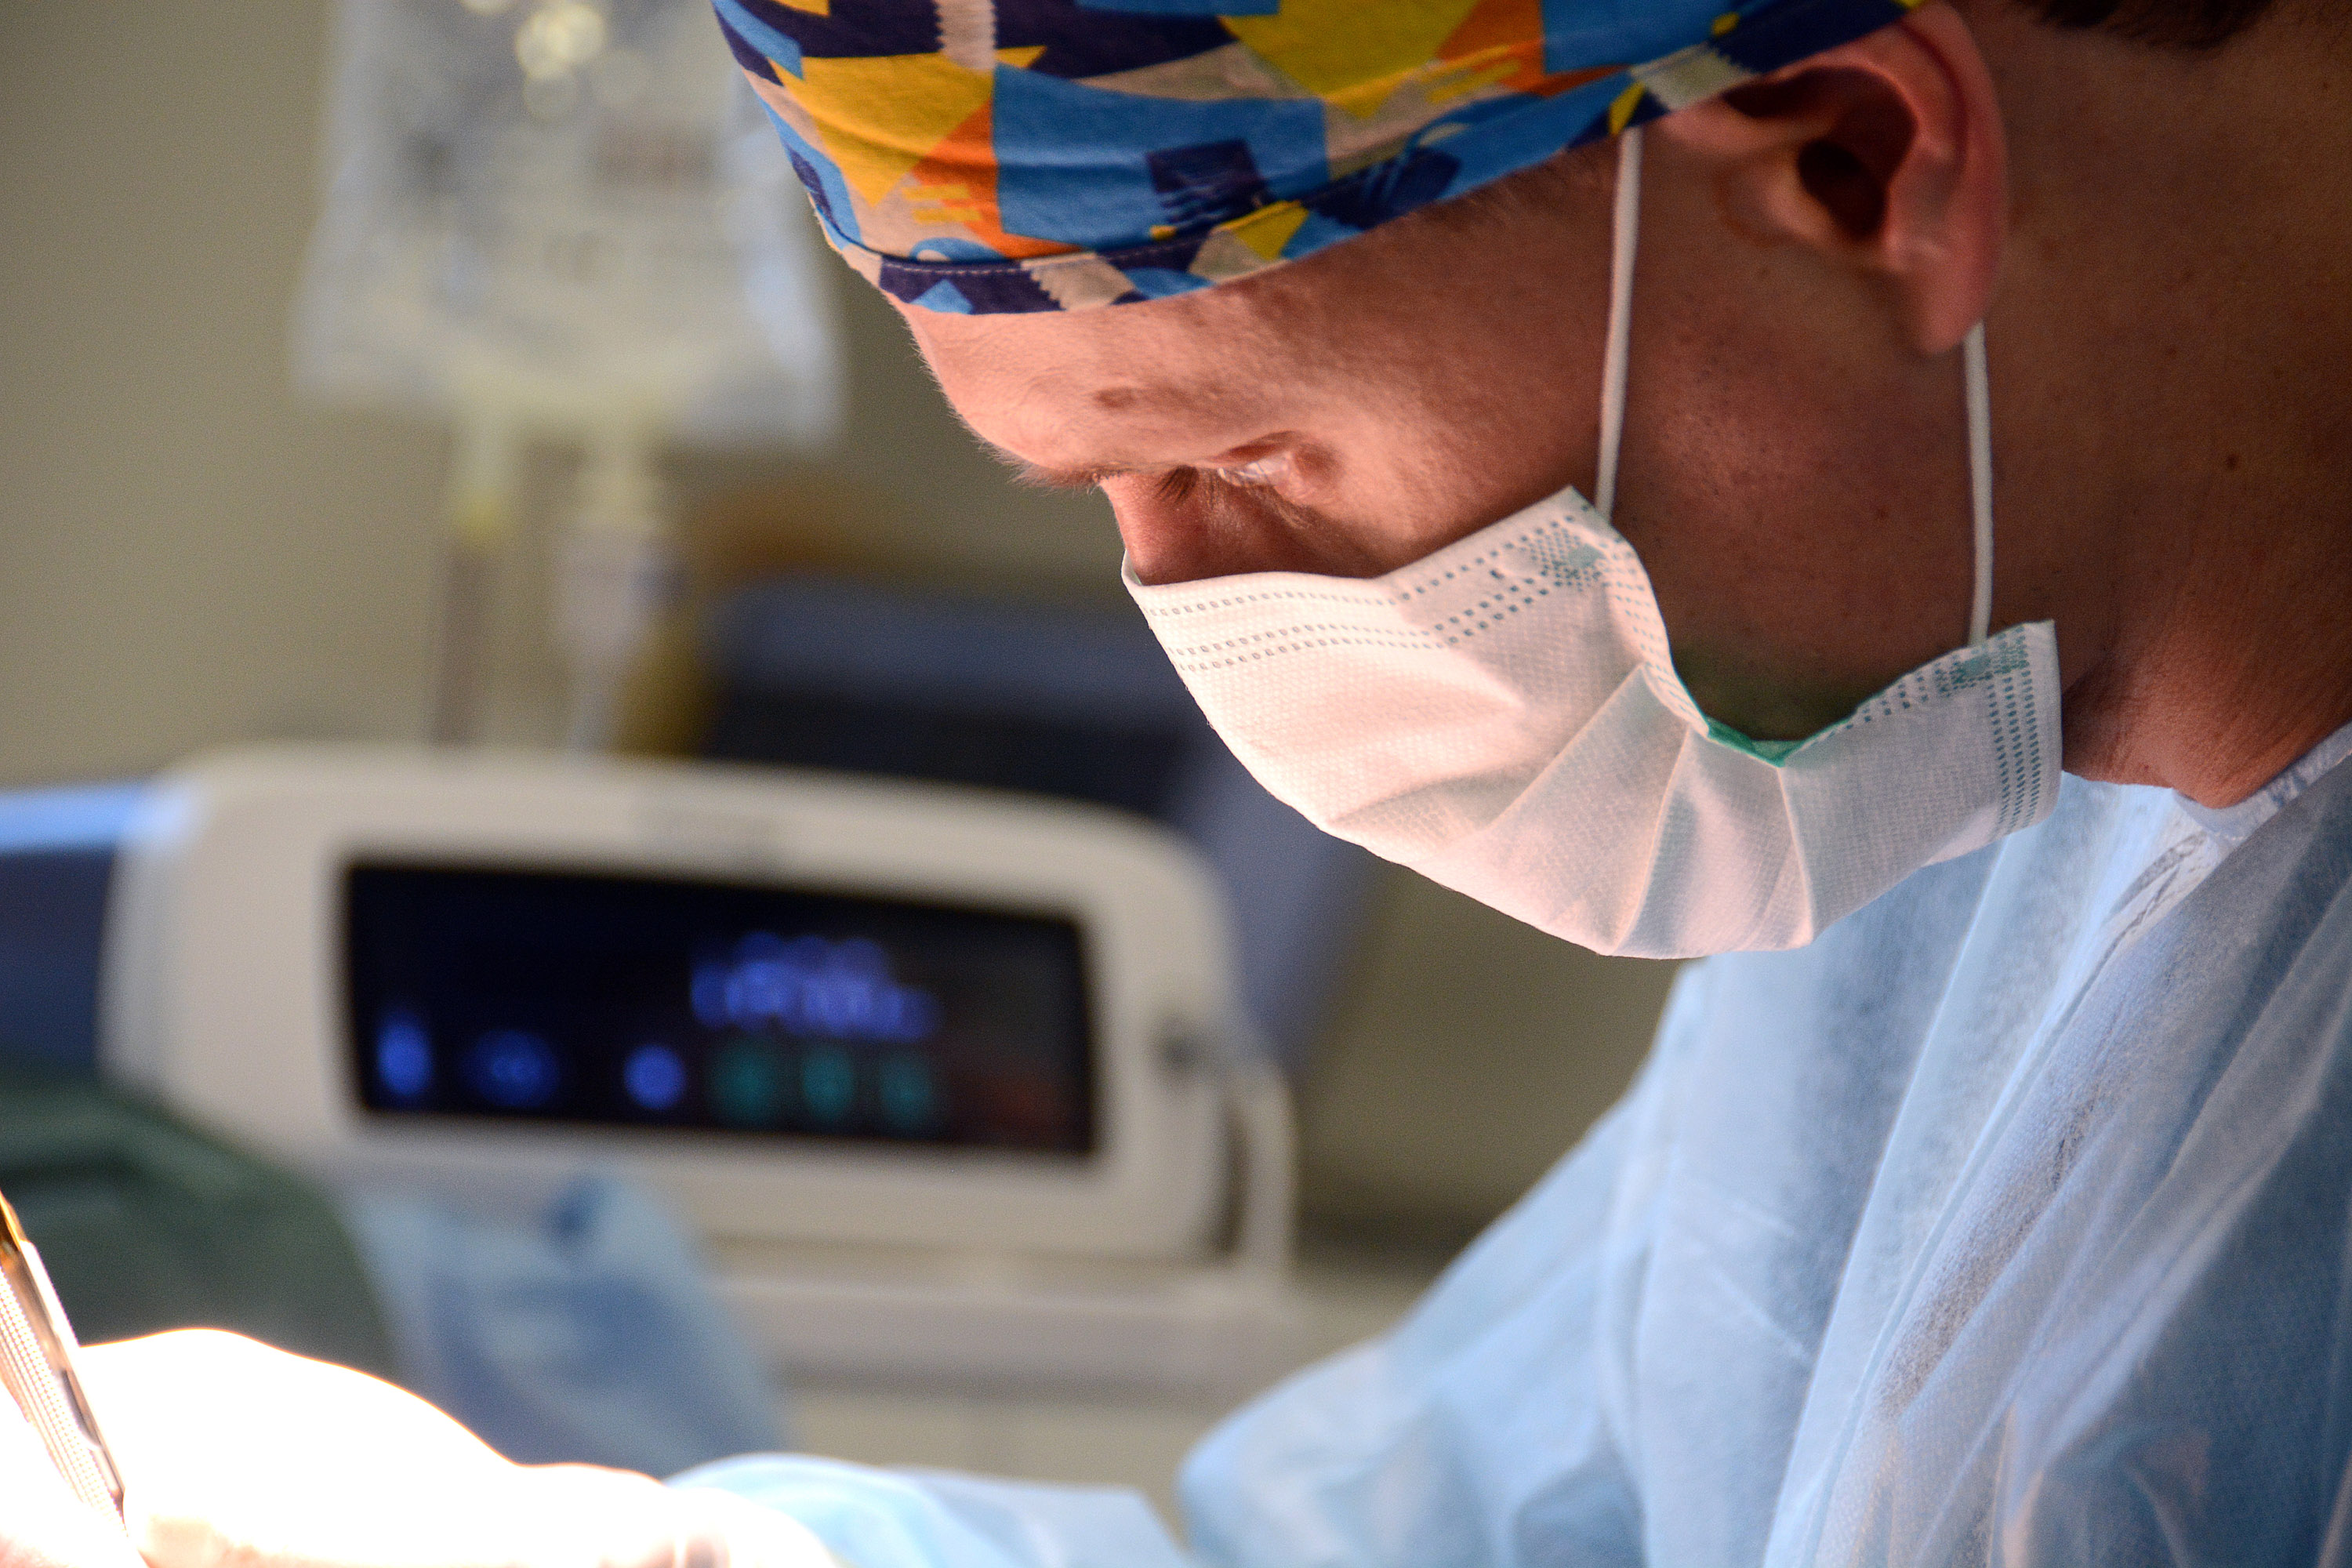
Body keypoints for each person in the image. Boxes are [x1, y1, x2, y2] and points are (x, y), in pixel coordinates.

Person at [10, 0, 2352, 1556]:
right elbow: (1489, 1532)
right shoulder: (1960, 872)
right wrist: (600, 1553)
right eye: (1100, 503)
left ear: (1852, 158)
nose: (1203, 612)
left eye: (1236, 453)